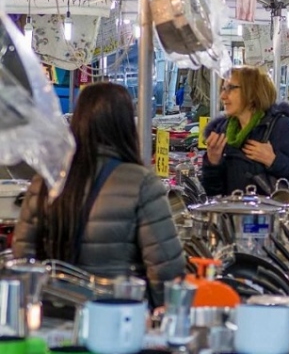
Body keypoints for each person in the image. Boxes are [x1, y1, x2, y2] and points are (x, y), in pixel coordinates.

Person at [12, 82, 185, 308]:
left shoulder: (46, 180)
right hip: (117, 317)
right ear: (125, 125)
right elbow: (166, 268)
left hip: (53, 313)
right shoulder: (142, 183)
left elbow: (22, 258)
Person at [201, 66, 289, 197]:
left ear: (252, 92)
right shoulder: (222, 131)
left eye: (231, 88)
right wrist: (212, 163)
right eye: (223, 89)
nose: (223, 96)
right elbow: (213, 192)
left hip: (267, 216)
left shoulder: (278, 127)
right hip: (233, 214)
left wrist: (273, 160)